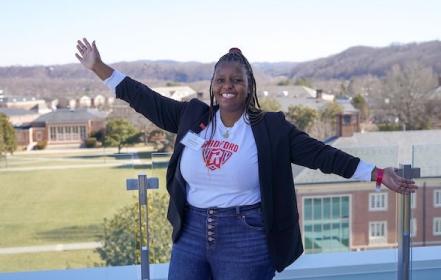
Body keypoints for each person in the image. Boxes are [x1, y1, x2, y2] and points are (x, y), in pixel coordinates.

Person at [75, 38, 418, 280]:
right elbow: (143, 98)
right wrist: (99, 68)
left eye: (236, 80)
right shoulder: (191, 116)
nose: (228, 86)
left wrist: (376, 174)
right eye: (221, 80)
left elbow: (321, 154)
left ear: (248, 85)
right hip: (190, 233)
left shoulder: (270, 128)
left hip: (245, 236)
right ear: (212, 85)